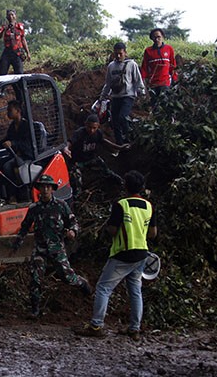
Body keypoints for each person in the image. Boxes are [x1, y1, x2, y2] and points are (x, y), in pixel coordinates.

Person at [74, 170, 158, 341]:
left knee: (103, 288)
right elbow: (153, 233)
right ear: (142, 187)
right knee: (135, 291)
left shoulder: (121, 205)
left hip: (123, 253)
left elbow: (112, 230)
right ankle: (134, 329)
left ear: (125, 186)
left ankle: (96, 325)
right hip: (141, 254)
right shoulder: (149, 206)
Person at [11, 174, 92, 318]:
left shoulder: (61, 205)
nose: (45, 190)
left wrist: (73, 231)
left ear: (52, 189)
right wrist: (17, 243)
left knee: (67, 277)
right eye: (43, 187)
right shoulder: (34, 208)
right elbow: (25, 227)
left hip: (57, 248)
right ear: (39, 189)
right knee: (35, 278)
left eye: (48, 187)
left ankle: (83, 284)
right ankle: (35, 309)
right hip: (40, 249)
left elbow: (73, 222)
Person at [63, 114, 127, 197]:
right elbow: (70, 142)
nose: (92, 130)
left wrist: (119, 147)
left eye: (94, 128)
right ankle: (77, 195)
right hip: (78, 161)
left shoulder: (98, 133)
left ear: (98, 126)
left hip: (91, 159)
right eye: (89, 127)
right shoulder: (79, 133)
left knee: (105, 169)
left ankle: (121, 183)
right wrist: (66, 148)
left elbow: (104, 142)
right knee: (75, 176)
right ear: (85, 124)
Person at [100, 42, 145, 146]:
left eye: (120, 53)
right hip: (115, 96)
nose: (118, 56)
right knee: (114, 121)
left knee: (123, 117)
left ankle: (129, 138)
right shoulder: (111, 66)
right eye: (116, 54)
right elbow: (108, 83)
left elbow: (138, 80)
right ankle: (119, 143)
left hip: (128, 96)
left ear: (125, 52)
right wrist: (102, 96)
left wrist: (141, 93)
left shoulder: (131, 64)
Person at [0, 100, 34, 202]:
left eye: (10, 110)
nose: (7, 113)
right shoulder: (12, 127)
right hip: (14, 156)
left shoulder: (27, 126)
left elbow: (27, 144)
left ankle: (14, 195)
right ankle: (0, 196)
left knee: (7, 166)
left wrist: (13, 143)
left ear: (18, 111)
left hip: (26, 156)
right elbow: (6, 140)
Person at [140, 28, 177, 107]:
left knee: (165, 104)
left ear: (162, 37)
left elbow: (173, 65)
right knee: (154, 105)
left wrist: (175, 79)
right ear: (151, 38)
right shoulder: (148, 51)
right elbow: (144, 67)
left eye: (158, 37)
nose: (157, 39)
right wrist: (142, 82)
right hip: (153, 84)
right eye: (154, 37)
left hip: (165, 82)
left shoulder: (169, 49)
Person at [0, 9, 31, 75]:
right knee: (2, 71)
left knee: (19, 73)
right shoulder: (4, 27)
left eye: (12, 15)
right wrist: (4, 30)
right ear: (7, 17)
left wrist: (28, 53)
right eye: (9, 15)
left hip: (17, 52)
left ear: (15, 16)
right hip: (7, 52)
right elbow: (0, 36)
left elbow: (23, 40)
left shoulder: (20, 27)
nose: (11, 17)